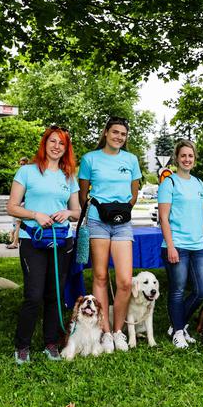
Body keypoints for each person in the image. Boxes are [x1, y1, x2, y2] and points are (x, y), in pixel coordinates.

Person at [7, 127, 80, 364]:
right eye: (52, 141)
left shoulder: (69, 176)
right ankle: (22, 345)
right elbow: (12, 207)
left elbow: (78, 212)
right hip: (33, 241)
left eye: (62, 143)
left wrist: (67, 212)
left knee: (55, 294)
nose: (56, 146)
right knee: (33, 295)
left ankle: (51, 343)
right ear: (44, 143)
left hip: (61, 242)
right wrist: (35, 214)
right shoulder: (27, 171)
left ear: (66, 148)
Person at [78, 116, 142, 353]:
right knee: (100, 276)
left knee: (125, 281)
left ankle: (118, 331)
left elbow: (133, 193)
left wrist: (120, 211)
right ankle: (104, 332)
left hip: (122, 223)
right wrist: (101, 210)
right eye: (115, 132)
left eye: (123, 134)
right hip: (97, 222)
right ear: (105, 133)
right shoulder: (90, 159)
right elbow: (83, 195)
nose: (119, 137)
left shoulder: (131, 159)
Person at [158, 140, 203, 349]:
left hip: (198, 246)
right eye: (183, 155)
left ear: (195, 158)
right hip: (177, 246)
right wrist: (171, 246)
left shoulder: (199, 183)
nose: (187, 159)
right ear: (176, 158)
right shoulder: (169, 183)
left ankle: (178, 324)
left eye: (190, 156)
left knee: (202, 290)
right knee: (177, 290)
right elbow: (163, 218)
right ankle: (178, 331)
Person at [7, 156, 30, 250]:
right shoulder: (21, 175)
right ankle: (15, 240)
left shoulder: (28, 175)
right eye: (20, 164)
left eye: (23, 164)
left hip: (23, 203)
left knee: (18, 223)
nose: (21, 166)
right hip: (18, 203)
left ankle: (15, 242)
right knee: (16, 224)